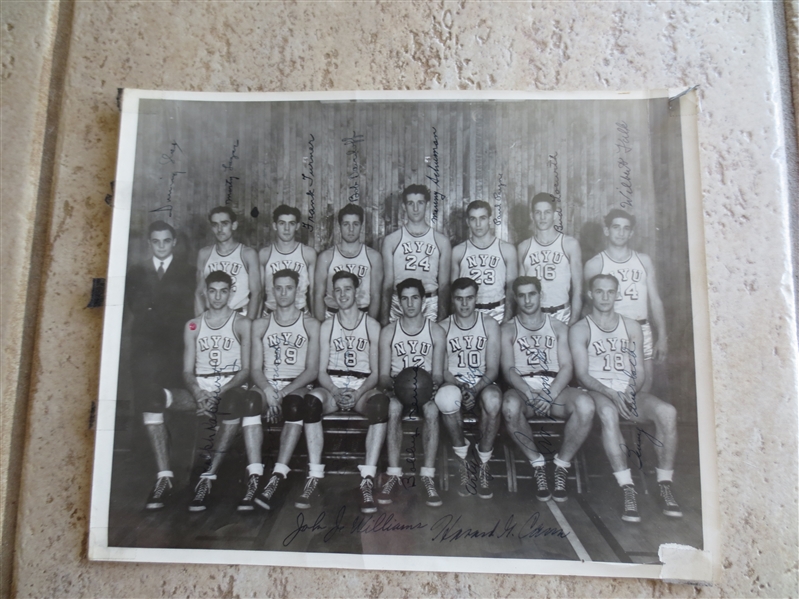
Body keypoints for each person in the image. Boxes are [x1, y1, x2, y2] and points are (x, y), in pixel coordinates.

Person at [570, 274, 681, 522]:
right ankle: (627, 488)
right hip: (599, 392)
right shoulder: (580, 329)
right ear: (591, 294)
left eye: (610, 292)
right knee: (609, 413)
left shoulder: (631, 326)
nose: (605, 297)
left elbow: (639, 370)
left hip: (629, 391)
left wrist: (629, 392)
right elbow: (582, 375)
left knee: (667, 412)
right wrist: (611, 393)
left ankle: (665, 484)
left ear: (618, 294)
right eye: (599, 291)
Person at [500, 276, 595, 502]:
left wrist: (551, 393)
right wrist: (529, 392)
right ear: (515, 298)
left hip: (555, 388)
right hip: (525, 388)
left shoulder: (558, 326)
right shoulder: (507, 329)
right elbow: (509, 369)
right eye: (521, 295)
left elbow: (566, 366)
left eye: (532, 294)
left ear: (540, 295)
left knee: (586, 405)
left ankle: (561, 464)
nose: (527, 300)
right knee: (510, 406)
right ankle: (538, 465)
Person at [126, 221, 195, 510]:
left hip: (177, 351)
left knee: (180, 409)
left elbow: (190, 314)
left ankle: (184, 479)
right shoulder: (136, 273)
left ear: (175, 241)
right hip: (146, 353)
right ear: (150, 244)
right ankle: (163, 476)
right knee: (151, 404)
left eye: (167, 241)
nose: (162, 246)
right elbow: (136, 311)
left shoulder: (189, 272)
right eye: (156, 242)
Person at [306, 271, 389, 514]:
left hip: (361, 388)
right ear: (332, 295)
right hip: (333, 385)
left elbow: (375, 373)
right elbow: (321, 372)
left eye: (347, 289)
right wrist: (334, 389)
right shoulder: (327, 326)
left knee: (380, 405)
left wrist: (357, 392)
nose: (342, 294)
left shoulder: (372, 326)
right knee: (311, 403)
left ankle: (367, 479)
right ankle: (314, 475)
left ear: (357, 292)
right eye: (338, 290)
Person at [184, 271, 258, 512]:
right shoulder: (193, 325)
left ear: (231, 292)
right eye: (212, 291)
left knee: (231, 403)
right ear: (205, 292)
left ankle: (208, 477)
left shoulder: (242, 323)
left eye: (223, 291)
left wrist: (221, 390)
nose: (217, 296)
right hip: (203, 386)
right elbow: (186, 371)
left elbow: (246, 370)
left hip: (231, 385)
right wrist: (197, 392)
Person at [250, 270, 322, 511]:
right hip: (269, 384)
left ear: (297, 290)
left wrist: (281, 394)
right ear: (272, 290)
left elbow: (312, 370)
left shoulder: (311, 324)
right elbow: (255, 368)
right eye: (278, 288)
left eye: (288, 288)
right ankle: (254, 475)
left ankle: (277, 476)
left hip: (296, 385)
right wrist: (268, 390)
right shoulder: (261, 324)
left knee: (294, 405)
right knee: (250, 401)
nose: (283, 293)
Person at [376, 278, 451, 507]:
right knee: (394, 407)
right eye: (405, 298)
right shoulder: (389, 332)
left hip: (425, 390)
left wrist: (426, 386)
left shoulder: (436, 331)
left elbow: (438, 374)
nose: (410, 304)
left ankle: (427, 476)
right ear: (398, 302)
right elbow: (382, 376)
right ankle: (394, 474)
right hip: (398, 390)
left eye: (414, 298)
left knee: (431, 411)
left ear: (424, 301)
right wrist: (398, 386)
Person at [583, 209, 667, 393]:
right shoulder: (595, 264)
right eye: (616, 227)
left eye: (625, 228)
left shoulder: (644, 261)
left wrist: (662, 336)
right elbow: (589, 305)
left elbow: (655, 301)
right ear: (607, 231)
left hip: (641, 327)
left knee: (643, 388)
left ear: (631, 233)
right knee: (611, 389)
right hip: (611, 331)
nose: (621, 233)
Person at [437, 278, 502, 499]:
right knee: (446, 398)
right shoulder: (443, 327)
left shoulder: (490, 324)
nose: (464, 304)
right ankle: (462, 460)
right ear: (452, 300)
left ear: (477, 298)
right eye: (459, 299)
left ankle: (483, 462)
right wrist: (461, 387)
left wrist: (475, 389)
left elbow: (493, 369)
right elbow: (442, 369)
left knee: (494, 400)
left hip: (482, 384)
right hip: (455, 384)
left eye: (469, 298)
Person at [381, 185, 451, 324]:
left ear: (427, 205)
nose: (415, 208)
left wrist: (442, 318)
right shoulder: (391, 240)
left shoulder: (441, 241)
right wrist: (383, 320)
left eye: (420, 203)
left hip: (430, 302)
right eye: (410, 203)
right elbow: (387, 284)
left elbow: (444, 285)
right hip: (399, 302)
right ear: (403, 206)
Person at [517, 193, 582, 325]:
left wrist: (573, 321)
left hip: (562, 314)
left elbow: (578, 289)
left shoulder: (569, 244)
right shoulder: (523, 247)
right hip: (533, 316)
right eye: (538, 212)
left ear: (555, 215)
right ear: (532, 216)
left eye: (547, 212)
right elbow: (520, 291)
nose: (542, 217)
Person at [451, 200, 517, 323]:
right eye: (473, 219)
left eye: (482, 218)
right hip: (469, 313)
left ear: (490, 220)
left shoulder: (507, 249)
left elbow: (511, 288)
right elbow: (454, 291)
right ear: (467, 222)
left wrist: (506, 318)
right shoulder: (458, 251)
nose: (478, 224)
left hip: (498, 311)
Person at [314, 203, 383, 321]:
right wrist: (322, 325)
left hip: (362, 315)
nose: (351, 229)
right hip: (333, 316)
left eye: (355, 224)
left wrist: (368, 325)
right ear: (339, 226)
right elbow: (318, 295)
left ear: (361, 226)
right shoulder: (326, 257)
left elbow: (376, 296)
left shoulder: (373, 257)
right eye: (346, 224)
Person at [195, 206, 261, 319]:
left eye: (224, 223)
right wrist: (201, 321)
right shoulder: (204, 254)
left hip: (239, 315)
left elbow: (256, 293)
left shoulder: (247, 254)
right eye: (215, 224)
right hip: (212, 317)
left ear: (234, 225)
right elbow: (199, 293)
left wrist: (248, 323)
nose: (219, 229)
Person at [260, 204, 317, 314]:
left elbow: (313, 292)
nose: (286, 228)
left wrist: (313, 320)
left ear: (297, 226)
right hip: (271, 314)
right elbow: (259, 293)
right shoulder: (264, 254)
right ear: (275, 225)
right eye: (282, 223)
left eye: (291, 223)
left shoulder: (308, 253)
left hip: (300, 313)